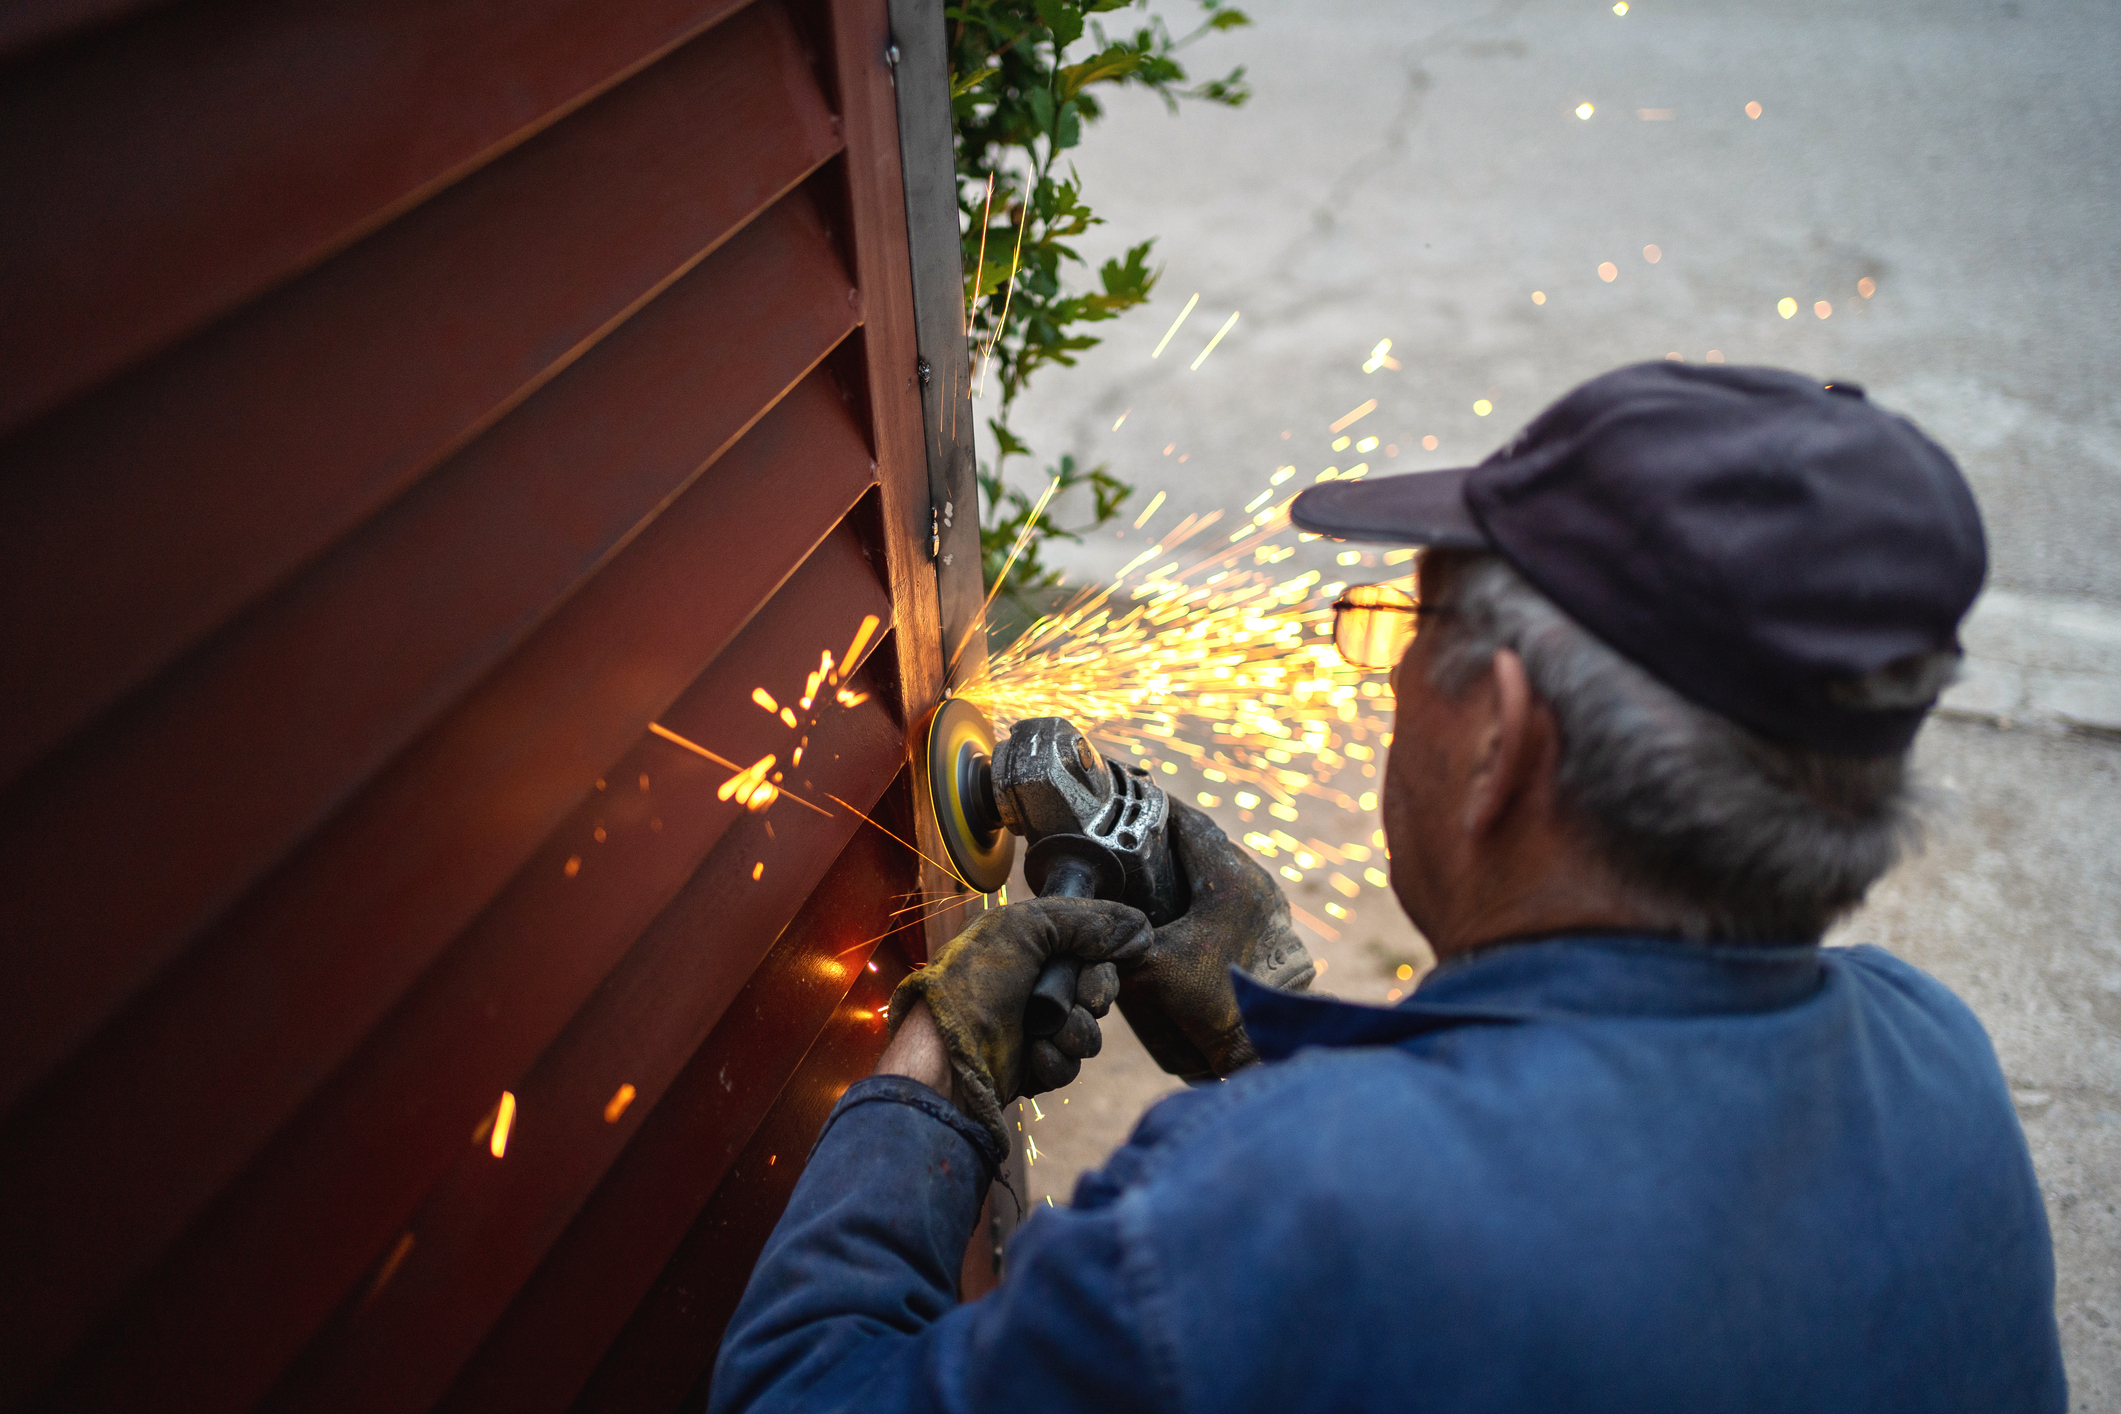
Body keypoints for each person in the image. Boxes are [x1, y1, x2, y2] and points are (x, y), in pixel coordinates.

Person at [708, 363, 2067, 1413]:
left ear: (1505, 736)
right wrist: (1262, 1038)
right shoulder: (1928, 1055)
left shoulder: (1259, 1213)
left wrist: (939, 1059)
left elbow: (796, 1391)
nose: (1388, 676)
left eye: (1405, 627)